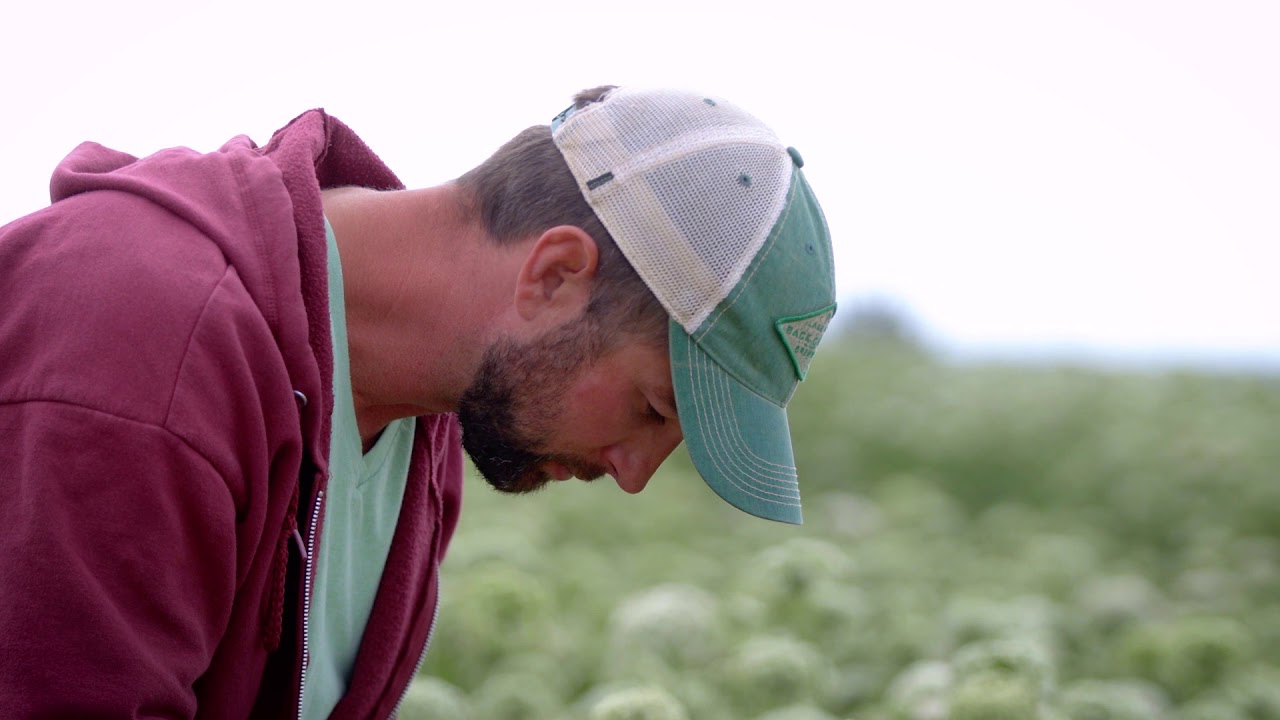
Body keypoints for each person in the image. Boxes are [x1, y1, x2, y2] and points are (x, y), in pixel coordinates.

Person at [0, 86, 836, 718]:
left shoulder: (424, 432)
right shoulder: (146, 344)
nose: (633, 475)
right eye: (653, 411)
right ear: (554, 275)